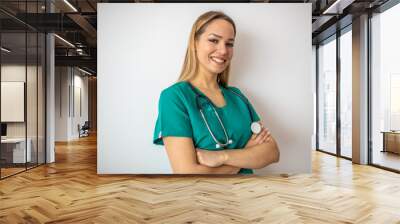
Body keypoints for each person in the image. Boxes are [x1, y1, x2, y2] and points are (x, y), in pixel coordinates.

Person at [153, 11, 279, 174]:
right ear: (195, 43)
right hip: (204, 198)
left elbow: (272, 152)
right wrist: (246, 154)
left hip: (248, 195)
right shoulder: (175, 97)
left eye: (229, 43)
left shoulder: (237, 96)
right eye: (214, 40)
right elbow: (186, 173)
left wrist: (222, 157)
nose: (223, 50)